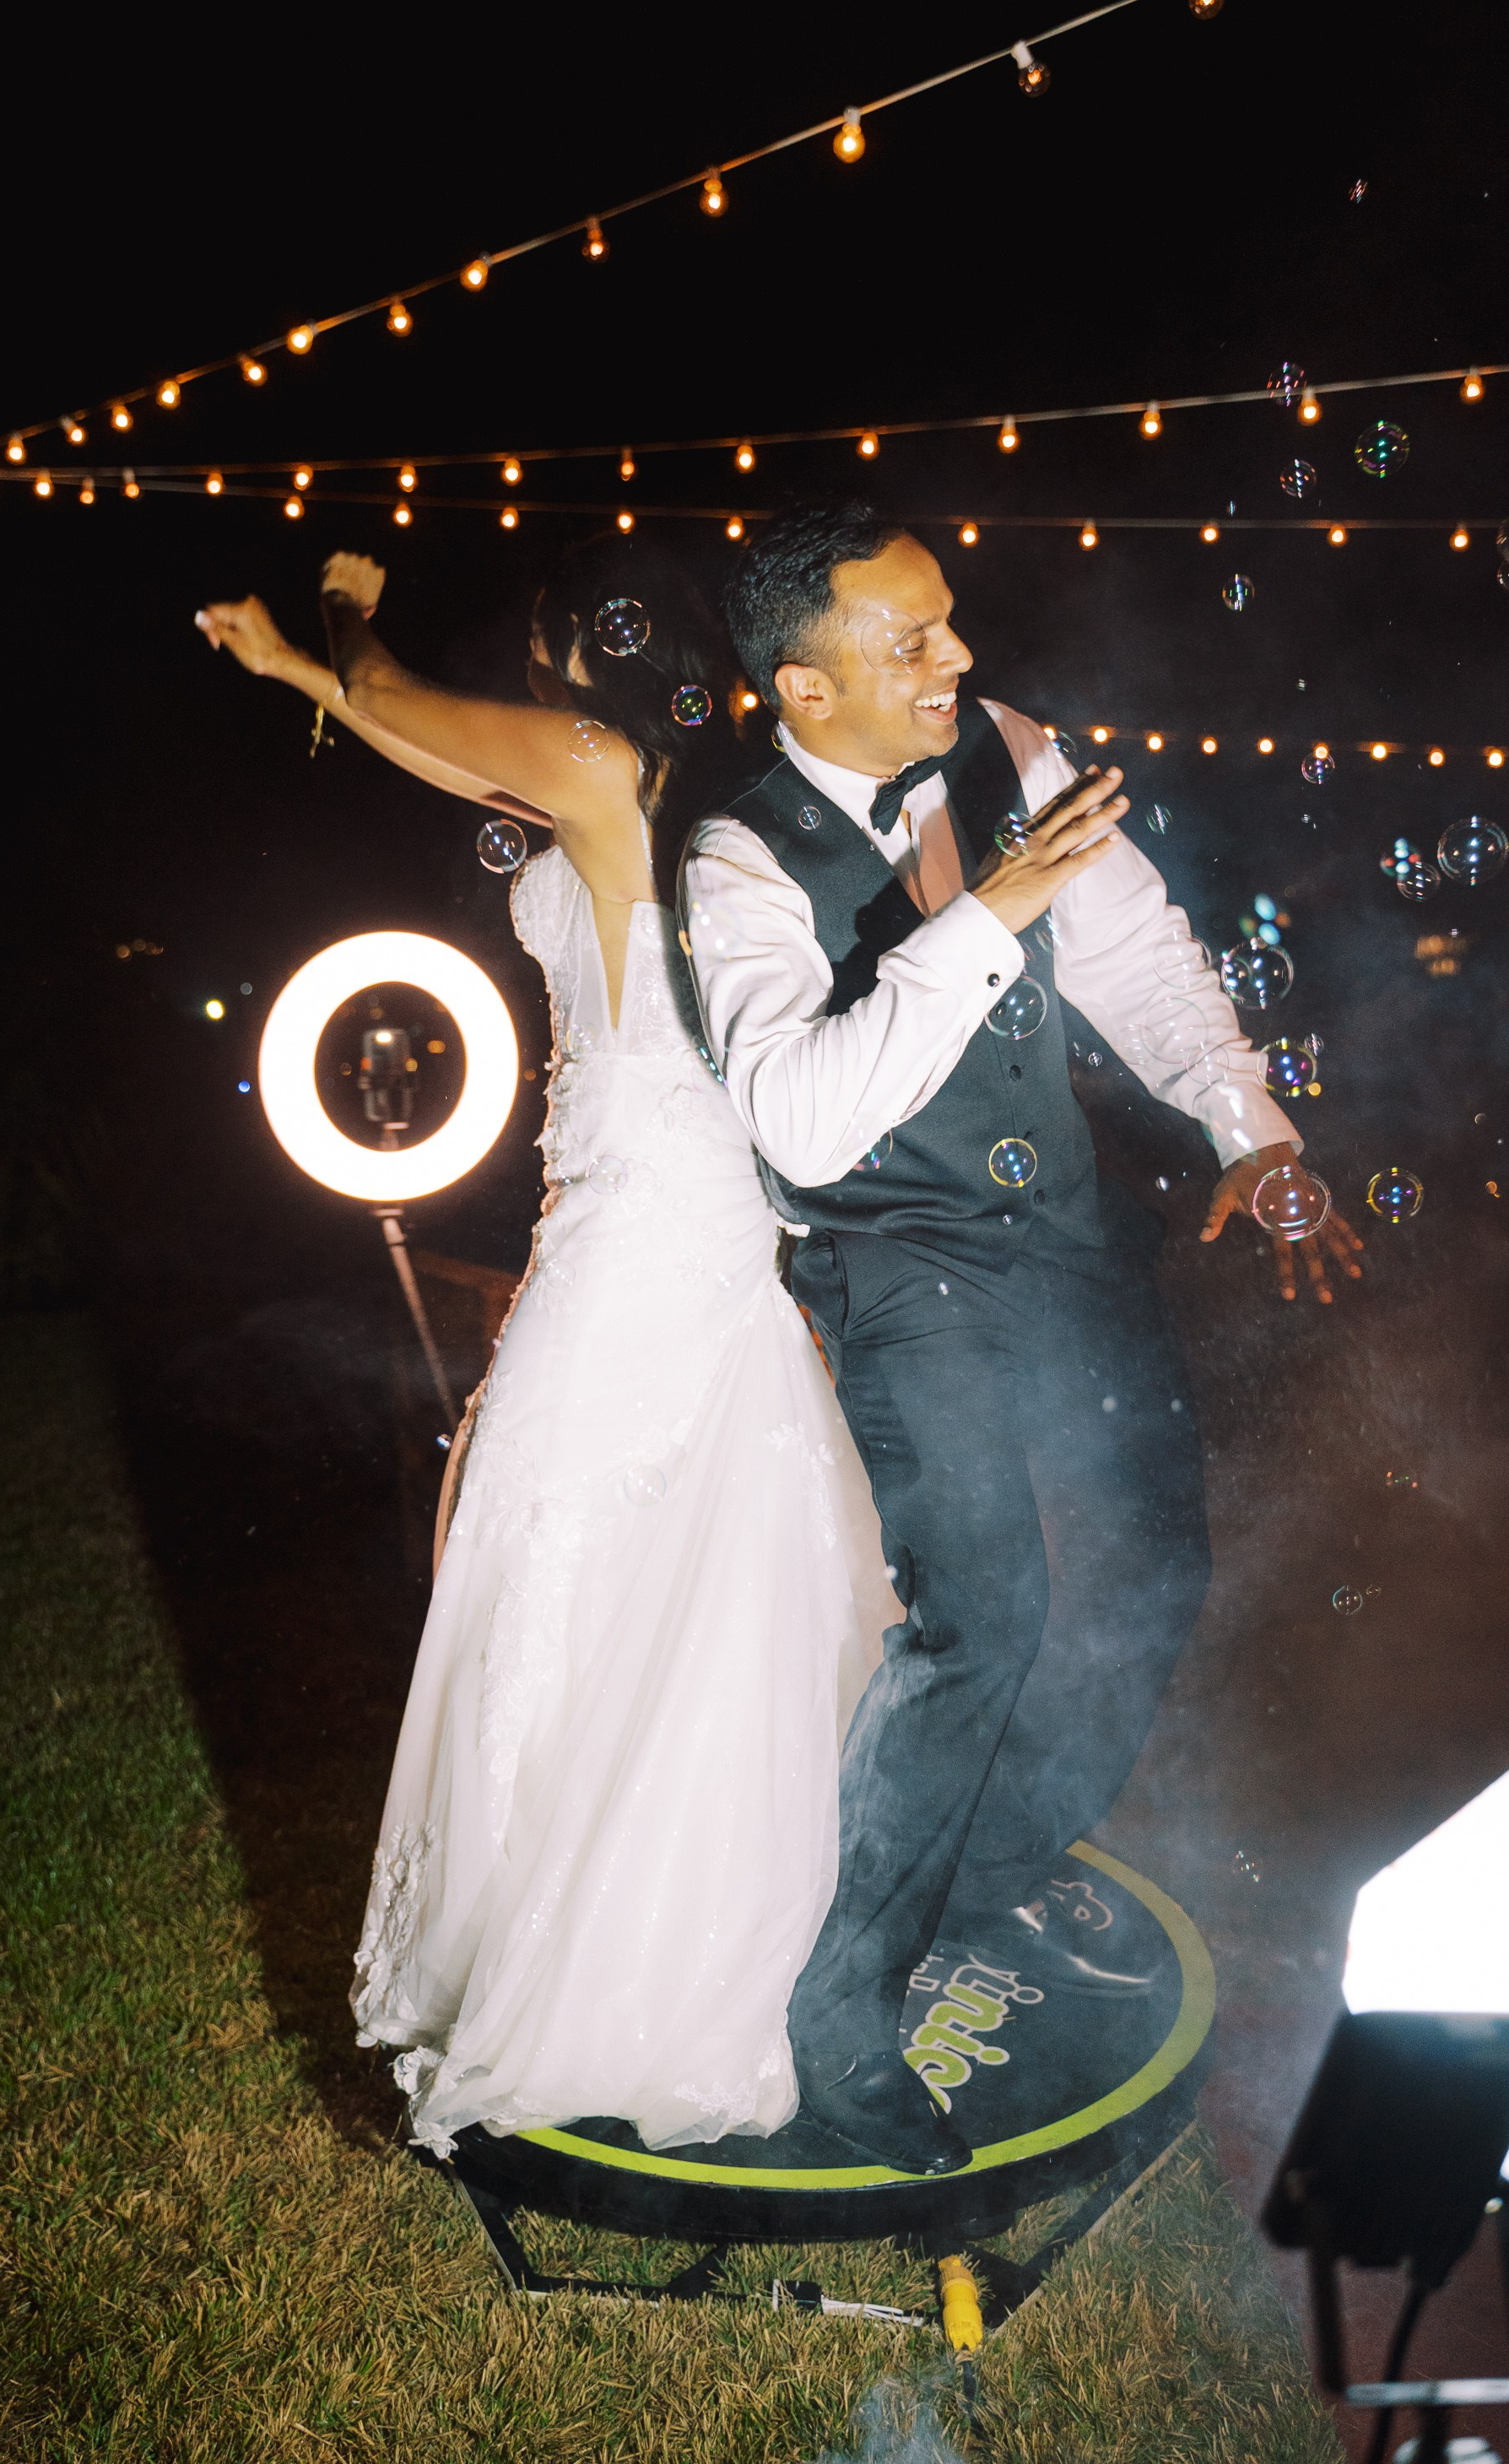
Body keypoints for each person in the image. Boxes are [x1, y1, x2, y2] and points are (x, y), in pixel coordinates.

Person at [684, 501, 1363, 2174]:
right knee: (982, 1619)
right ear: (801, 687)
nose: (958, 656)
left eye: (949, 620)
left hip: (1065, 1238)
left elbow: (1135, 955)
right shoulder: (734, 859)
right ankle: (835, 2012)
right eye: (907, 638)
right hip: (899, 1268)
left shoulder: (1011, 748)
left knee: (1152, 1572)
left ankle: (976, 1873)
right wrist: (985, 911)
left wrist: (1243, 1127)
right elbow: (803, 1127)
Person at [195, 537, 895, 2155]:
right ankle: (674, 1952)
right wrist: (300, 682)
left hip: (646, 1236)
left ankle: (605, 1988)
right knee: (669, 1583)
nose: (524, 671)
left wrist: (349, 611)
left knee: (563, 1560)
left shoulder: (594, 765)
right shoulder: (634, 788)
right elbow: (416, 738)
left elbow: (398, 696)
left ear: (579, 652)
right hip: (665, 1227)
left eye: (537, 644)